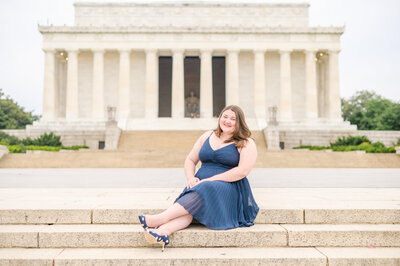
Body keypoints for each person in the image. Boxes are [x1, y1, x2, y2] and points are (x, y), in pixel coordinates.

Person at [138, 105, 259, 251]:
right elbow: (190, 160)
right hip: (200, 184)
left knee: (203, 189)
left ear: (239, 122)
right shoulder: (207, 135)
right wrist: (190, 178)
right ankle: (162, 232)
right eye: (225, 116)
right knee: (189, 210)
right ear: (219, 117)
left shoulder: (246, 142)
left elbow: (242, 171)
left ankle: (161, 218)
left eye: (233, 119)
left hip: (229, 187)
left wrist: (211, 180)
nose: (227, 121)